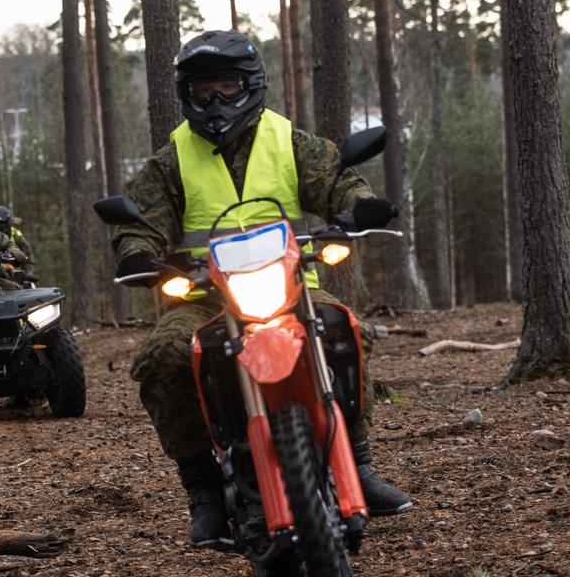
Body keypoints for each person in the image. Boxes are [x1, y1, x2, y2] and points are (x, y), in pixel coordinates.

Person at [111, 29, 413, 549]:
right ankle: (204, 491)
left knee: (344, 331)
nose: (216, 101)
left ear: (250, 85)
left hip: (293, 287)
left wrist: (360, 202)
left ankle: (358, 464)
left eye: (227, 87)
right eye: (205, 91)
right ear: (188, 94)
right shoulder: (170, 162)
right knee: (164, 355)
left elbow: (336, 178)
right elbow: (141, 219)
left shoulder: (289, 141)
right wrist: (138, 249)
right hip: (206, 296)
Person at [0, 204, 36, 273]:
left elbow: (29, 259)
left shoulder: (16, 235)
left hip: (15, 276)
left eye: (1, 225)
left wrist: (28, 275)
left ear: (8, 224)